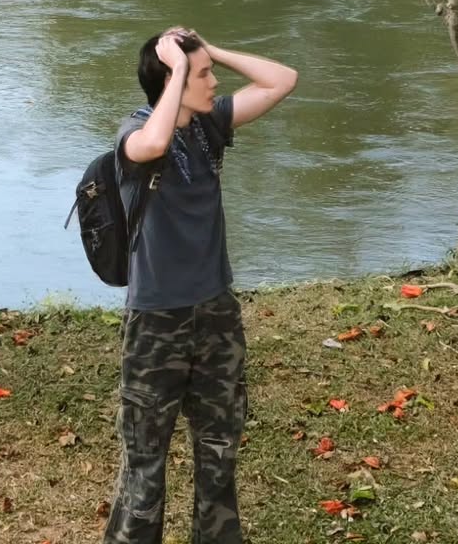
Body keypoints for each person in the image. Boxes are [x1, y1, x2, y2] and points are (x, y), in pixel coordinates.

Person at [103, 27, 298, 544]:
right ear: (173, 81)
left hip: (216, 313)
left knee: (219, 451)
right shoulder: (134, 133)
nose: (214, 83)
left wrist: (210, 51)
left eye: (211, 74)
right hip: (157, 321)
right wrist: (181, 70)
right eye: (203, 76)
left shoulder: (207, 125)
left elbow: (282, 80)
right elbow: (154, 143)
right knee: (145, 462)